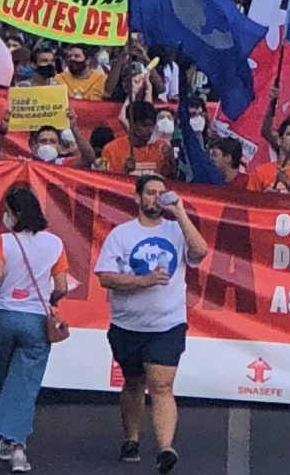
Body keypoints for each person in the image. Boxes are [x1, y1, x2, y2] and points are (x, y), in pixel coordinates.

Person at [94, 173, 205, 474]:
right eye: (151, 192)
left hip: (167, 324)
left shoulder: (177, 229)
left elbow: (200, 252)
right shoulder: (121, 235)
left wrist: (181, 212)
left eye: (161, 192)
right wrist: (144, 280)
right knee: (133, 382)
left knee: (161, 385)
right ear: (138, 198)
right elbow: (105, 277)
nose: (156, 197)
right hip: (128, 325)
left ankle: (165, 447)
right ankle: (131, 437)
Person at [0, 183, 73, 474]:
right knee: (25, 385)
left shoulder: (2, 242)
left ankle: (0, 430)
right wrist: (51, 299)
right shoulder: (54, 243)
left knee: (5, 379)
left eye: (6, 212)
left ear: (15, 214)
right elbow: (62, 287)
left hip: (2, 318)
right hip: (34, 321)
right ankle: (16, 445)